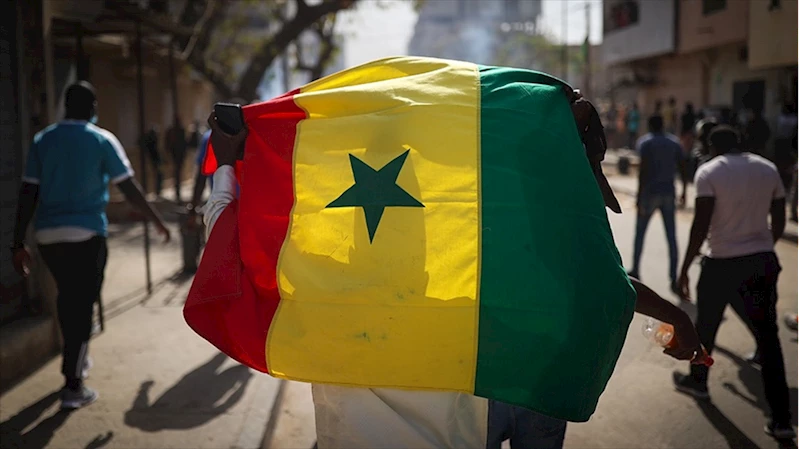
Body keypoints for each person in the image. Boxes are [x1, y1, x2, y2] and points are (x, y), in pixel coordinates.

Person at [201, 88, 705, 449]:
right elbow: (601, 283)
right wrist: (678, 318)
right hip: (512, 397)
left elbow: (228, 241)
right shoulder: (453, 282)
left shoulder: (316, 291)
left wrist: (226, 163)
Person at [10, 81, 171, 410]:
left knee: (69, 298)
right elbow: (129, 187)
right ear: (93, 107)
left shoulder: (43, 140)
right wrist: (156, 219)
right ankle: (73, 385)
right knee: (82, 305)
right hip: (87, 235)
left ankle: (77, 361)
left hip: (49, 237)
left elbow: (28, 193)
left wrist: (17, 242)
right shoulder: (101, 139)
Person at [674, 126, 794, 440]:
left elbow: (701, 225)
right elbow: (779, 216)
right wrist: (764, 245)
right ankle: (782, 421)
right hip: (761, 262)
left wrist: (684, 268)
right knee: (768, 339)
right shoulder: (766, 168)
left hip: (721, 264)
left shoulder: (709, 171)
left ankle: (698, 382)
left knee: (706, 329)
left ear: (711, 146)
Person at [628, 115, 686, 295]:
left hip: (649, 193)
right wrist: (684, 191)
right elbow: (683, 167)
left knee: (640, 233)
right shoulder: (674, 143)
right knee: (671, 236)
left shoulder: (645, 142)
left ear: (650, 125)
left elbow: (643, 171)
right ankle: (674, 277)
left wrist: (639, 196)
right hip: (668, 192)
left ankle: (635, 270)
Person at [774, 103, 798, 221]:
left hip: (783, 145)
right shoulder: (794, 120)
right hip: (786, 146)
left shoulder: (781, 118)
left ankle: (793, 212)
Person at [166, 117, 188, 203]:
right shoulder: (173, 131)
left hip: (178, 155)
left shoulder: (179, 131)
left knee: (177, 173)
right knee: (176, 173)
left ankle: (177, 191)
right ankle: (177, 191)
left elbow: (184, 143)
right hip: (175, 155)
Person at [141, 125, 164, 196]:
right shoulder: (152, 144)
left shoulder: (151, 143)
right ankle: (157, 191)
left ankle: (157, 190)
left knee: (158, 175)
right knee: (158, 175)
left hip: (155, 160)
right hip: (154, 160)